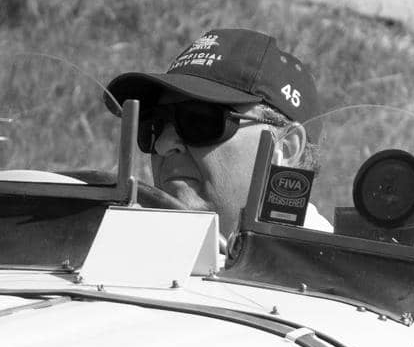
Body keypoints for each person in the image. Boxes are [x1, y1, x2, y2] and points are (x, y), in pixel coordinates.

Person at [106, 27, 328, 235]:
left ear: (286, 149)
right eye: (153, 125)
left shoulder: (327, 272)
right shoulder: (115, 255)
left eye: (199, 121)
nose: (162, 145)